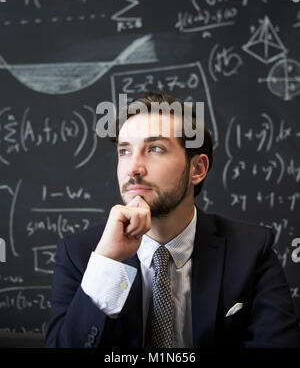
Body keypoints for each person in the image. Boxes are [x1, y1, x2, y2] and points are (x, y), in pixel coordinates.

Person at [45, 92, 300, 348]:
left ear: (197, 169)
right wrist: (109, 264)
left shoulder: (251, 250)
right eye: (124, 151)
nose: (133, 168)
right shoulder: (80, 255)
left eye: (155, 149)